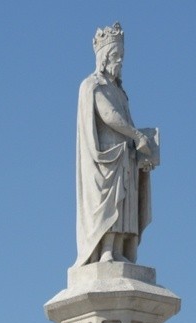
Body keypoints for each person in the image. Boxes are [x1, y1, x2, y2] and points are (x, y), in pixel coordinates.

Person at [75, 22, 157, 267]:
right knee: (109, 203)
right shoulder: (93, 85)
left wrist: (143, 146)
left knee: (125, 204)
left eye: (121, 56)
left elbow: (125, 118)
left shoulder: (120, 92)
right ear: (104, 57)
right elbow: (109, 115)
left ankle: (119, 247)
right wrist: (136, 136)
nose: (119, 61)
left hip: (125, 156)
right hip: (106, 157)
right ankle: (106, 249)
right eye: (115, 56)